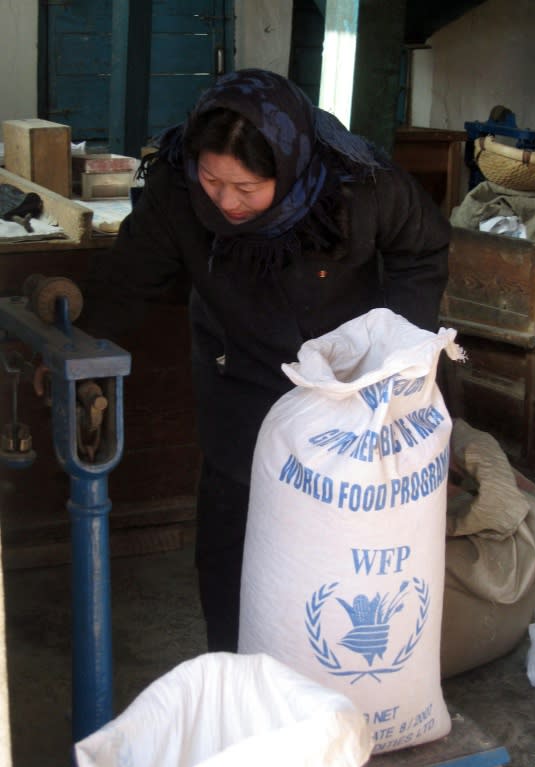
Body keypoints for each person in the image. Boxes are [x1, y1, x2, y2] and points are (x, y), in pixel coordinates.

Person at [84, 68, 450, 653]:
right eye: (212, 178)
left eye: (247, 187)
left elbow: (421, 247)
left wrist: (394, 357)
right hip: (242, 374)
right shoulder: (179, 192)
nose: (226, 202)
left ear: (289, 162)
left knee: (341, 533)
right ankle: (237, 668)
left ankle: (332, 666)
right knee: (234, 528)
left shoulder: (357, 184)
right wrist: (86, 341)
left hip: (346, 388)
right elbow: (130, 277)